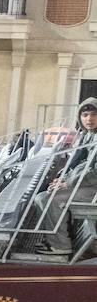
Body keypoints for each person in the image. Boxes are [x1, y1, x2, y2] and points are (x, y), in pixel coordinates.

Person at [34, 97, 97, 256]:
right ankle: (54, 239)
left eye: (94, 114)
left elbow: (94, 172)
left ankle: (61, 246)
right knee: (42, 196)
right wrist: (62, 179)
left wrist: (68, 183)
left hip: (93, 189)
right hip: (86, 184)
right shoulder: (87, 135)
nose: (89, 119)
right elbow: (77, 163)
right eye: (85, 115)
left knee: (49, 199)